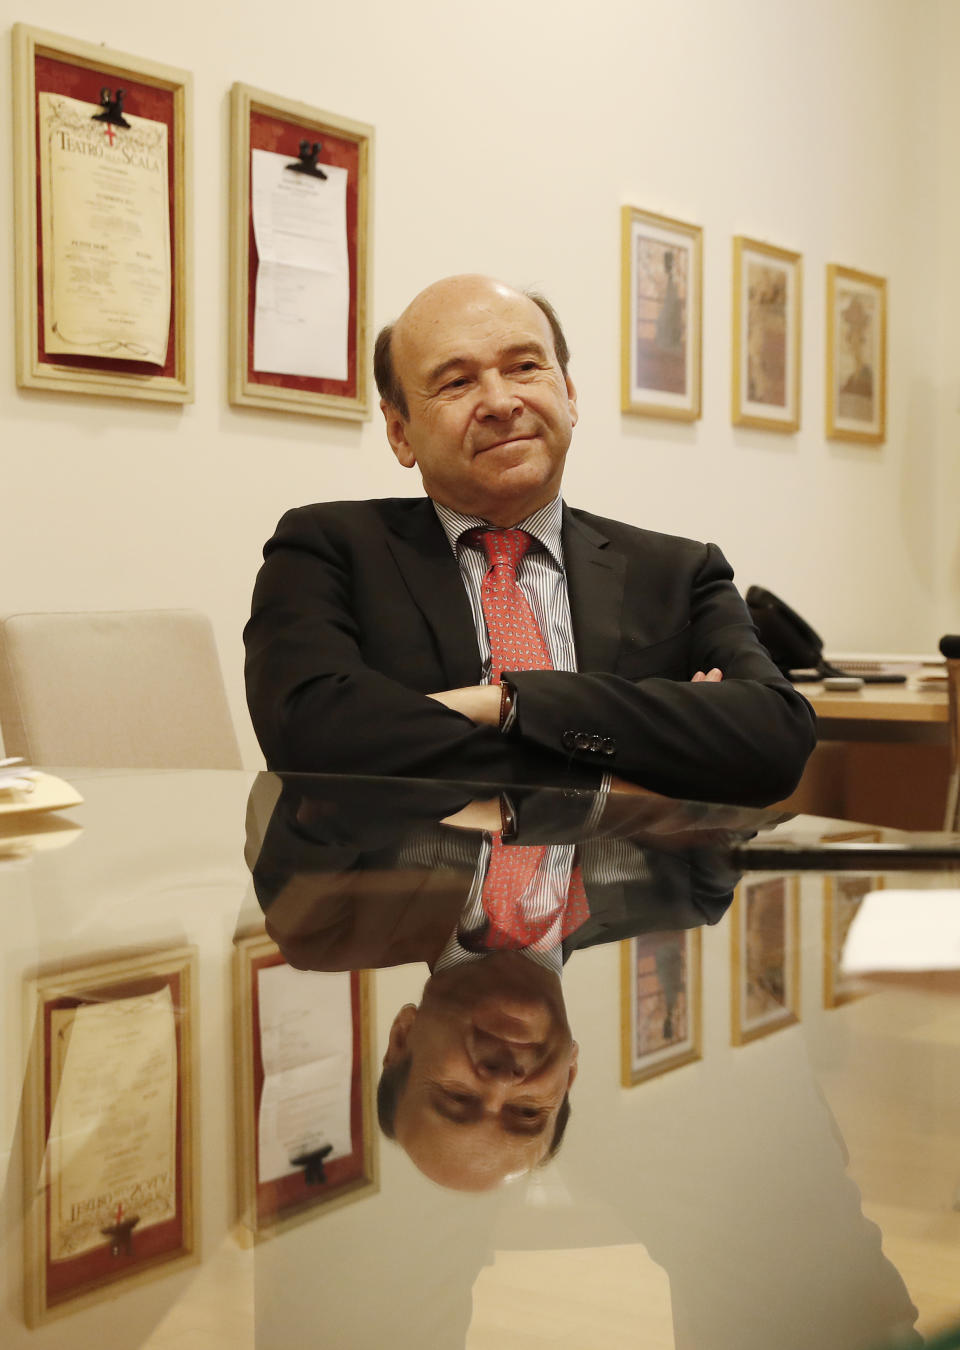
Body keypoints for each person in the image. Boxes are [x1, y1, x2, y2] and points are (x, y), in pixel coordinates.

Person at [244, 274, 816, 804]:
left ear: (568, 394)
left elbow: (773, 739)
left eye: (523, 367)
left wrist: (504, 703)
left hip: (630, 910)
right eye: (457, 381)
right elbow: (314, 741)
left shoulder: (678, 572)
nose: (499, 402)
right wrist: (646, 757)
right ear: (400, 432)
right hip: (403, 900)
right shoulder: (327, 551)